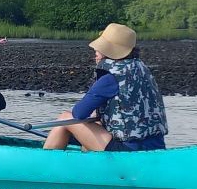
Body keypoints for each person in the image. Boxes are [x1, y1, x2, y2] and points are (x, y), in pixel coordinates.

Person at [43, 23, 167, 151]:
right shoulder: (141, 69)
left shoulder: (110, 78)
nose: (95, 52)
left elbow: (78, 113)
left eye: (99, 48)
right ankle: (88, 164)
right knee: (96, 122)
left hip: (128, 149)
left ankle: (44, 163)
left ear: (110, 50)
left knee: (65, 118)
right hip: (155, 145)